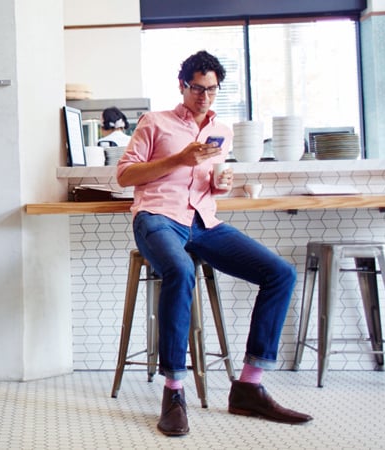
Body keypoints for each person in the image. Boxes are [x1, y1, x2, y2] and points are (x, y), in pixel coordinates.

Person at [116, 50, 312, 437]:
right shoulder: (155, 122)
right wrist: (179, 159)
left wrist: (219, 183)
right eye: (197, 88)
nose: (204, 97)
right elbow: (124, 176)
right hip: (157, 218)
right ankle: (174, 393)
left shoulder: (221, 129)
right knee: (180, 270)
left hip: (204, 222)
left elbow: (206, 180)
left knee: (280, 274)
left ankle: (249, 387)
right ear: (182, 86)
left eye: (212, 90)